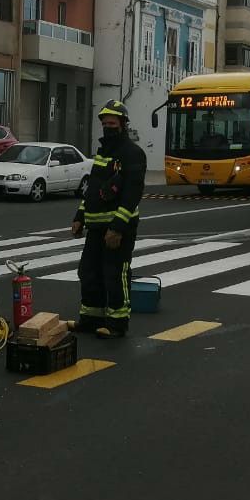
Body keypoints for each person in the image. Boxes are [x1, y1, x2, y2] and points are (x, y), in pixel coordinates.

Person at [71, 99, 147, 338]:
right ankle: (91, 318)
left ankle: (117, 323)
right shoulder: (103, 153)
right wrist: (80, 216)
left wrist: (117, 228)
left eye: (112, 123)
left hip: (117, 229)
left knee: (114, 273)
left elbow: (132, 195)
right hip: (95, 227)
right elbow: (93, 191)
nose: (107, 127)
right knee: (88, 272)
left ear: (123, 124)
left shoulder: (133, 154)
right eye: (104, 123)